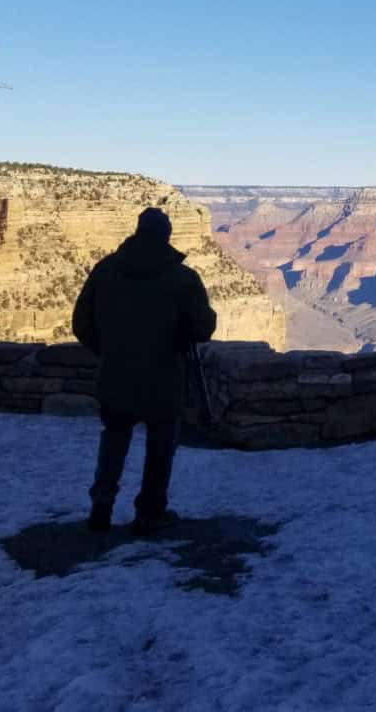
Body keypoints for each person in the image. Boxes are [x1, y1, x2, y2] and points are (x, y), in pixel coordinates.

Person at [72, 207, 216, 535]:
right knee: (160, 447)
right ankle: (150, 513)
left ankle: (101, 506)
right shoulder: (183, 278)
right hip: (164, 379)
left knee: (114, 440)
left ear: (137, 231)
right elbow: (203, 328)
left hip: (115, 375)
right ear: (166, 235)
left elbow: (81, 322)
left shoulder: (106, 270)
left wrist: (108, 351)